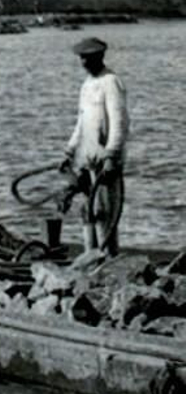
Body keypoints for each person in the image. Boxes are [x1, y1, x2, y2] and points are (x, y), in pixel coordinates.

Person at [61, 37, 128, 258]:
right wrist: (69, 151)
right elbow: (81, 123)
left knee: (105, 213)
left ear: (99, 57)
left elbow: (119, 122)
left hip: (105, 159)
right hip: (86, 158)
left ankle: (108, 258)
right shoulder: (87, 85)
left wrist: (111, 155)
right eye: (81, 58)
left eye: (87, 58)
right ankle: (90, 258)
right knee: (87, 211)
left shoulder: (111, 82)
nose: (83, 62)